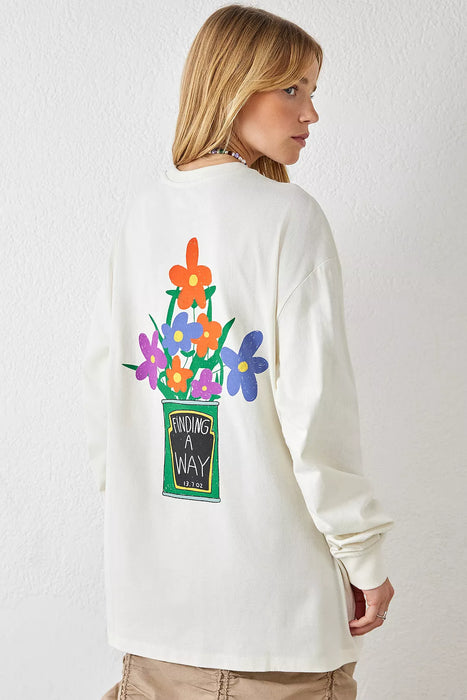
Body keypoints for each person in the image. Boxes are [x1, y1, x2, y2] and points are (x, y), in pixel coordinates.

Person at [82, 4, 395, 699]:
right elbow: (317, 414)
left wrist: (147, 523)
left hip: (155, 626)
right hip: (278, 634)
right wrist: (363, 556)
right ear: (233, 84)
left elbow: (106, 396)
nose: (310, 112)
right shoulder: (289, 218)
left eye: (312, 90)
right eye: (291, 88)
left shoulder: (140, 214)